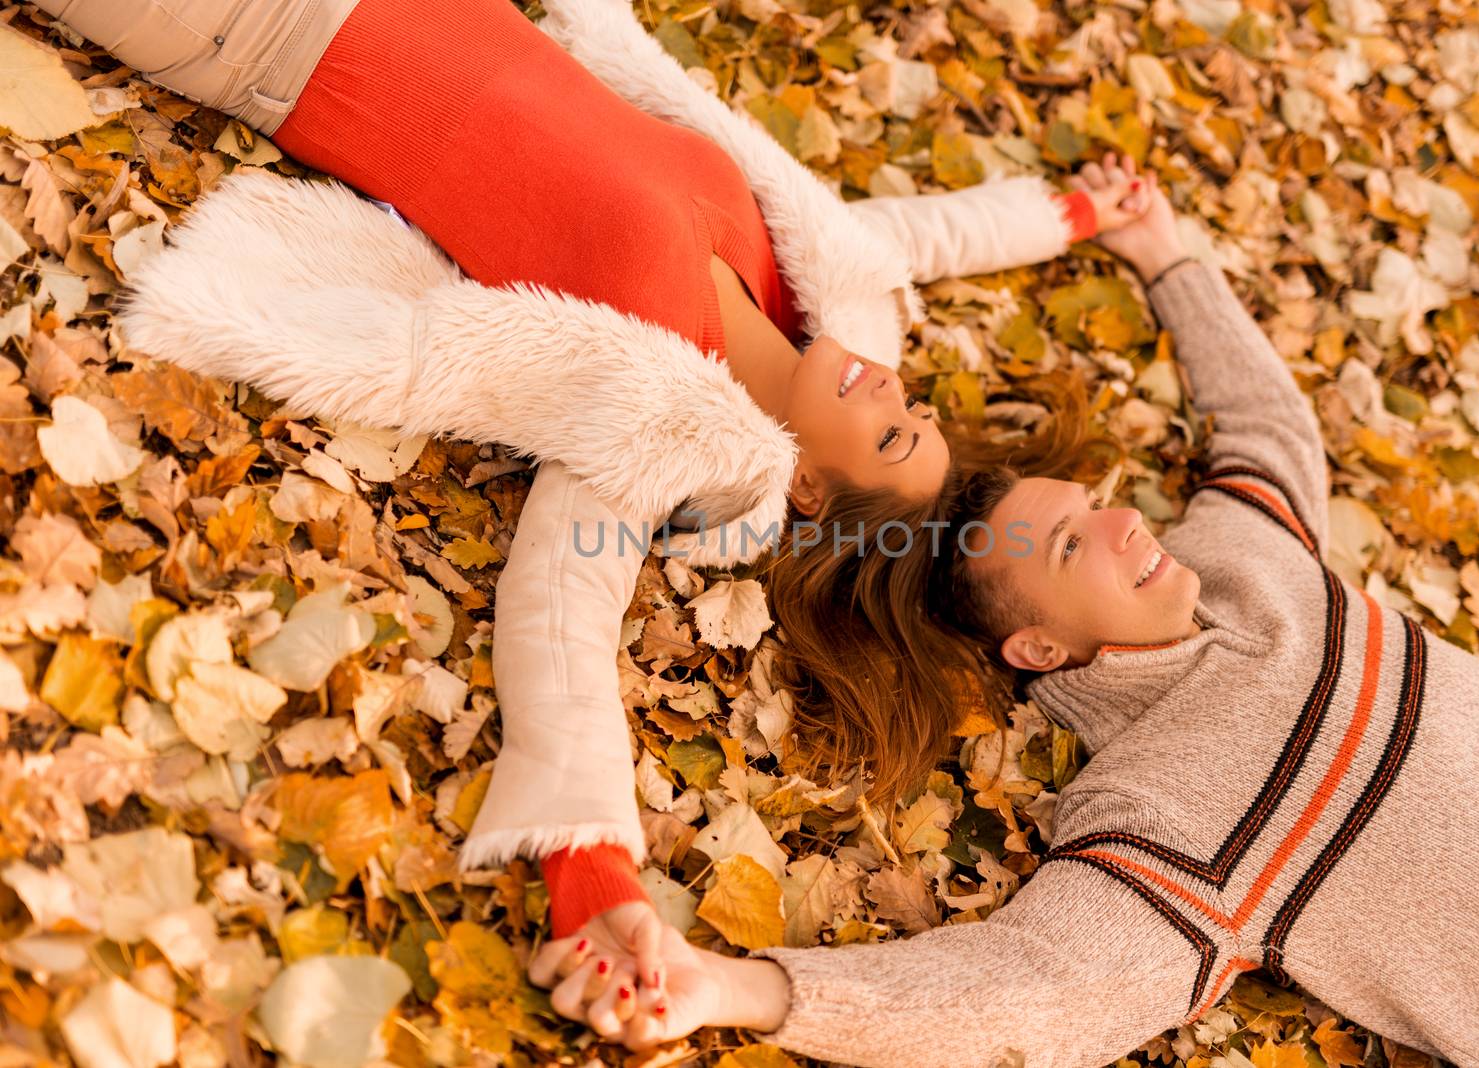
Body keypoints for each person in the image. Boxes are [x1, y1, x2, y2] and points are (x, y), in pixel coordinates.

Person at [34, 0, 1149, 989]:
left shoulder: (649, 406)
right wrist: (1073, 213)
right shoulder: (790, 270)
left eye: (892, 430)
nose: (890, 383)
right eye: (917, 408)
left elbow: (562, 613)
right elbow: (911, 238)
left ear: (805, 483)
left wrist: (588, 860)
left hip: (271, 34)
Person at [531, 167, 1479, 1066]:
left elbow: (1268, 426)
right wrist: (732, 986)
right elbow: (1031, 992)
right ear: (1040, 649)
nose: (1124, 525)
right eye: (1066, 545)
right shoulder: (1173, 805)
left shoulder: (1233, 555)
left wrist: (1165, 255)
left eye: (1092, 508)